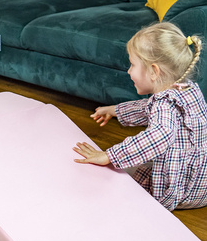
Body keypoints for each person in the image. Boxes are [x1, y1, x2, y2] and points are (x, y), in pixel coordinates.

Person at [73, 22, 207, 211]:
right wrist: (115, 110)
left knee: (118, 186)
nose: (129, 71)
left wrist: (109, 156)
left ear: (154, 71)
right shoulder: (187, 89)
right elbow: (147, 108)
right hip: (202, 182)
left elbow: (160, 135)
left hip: (182, 190)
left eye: (132, 65)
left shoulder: (164, 104)